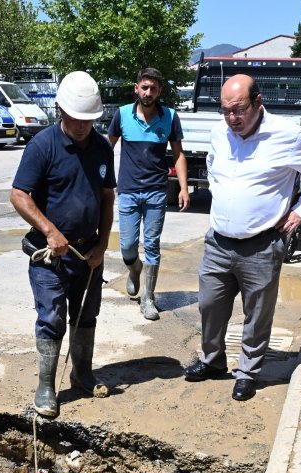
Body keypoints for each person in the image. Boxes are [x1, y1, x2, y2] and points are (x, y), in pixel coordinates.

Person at [184, 74, 301, 401]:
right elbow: (212, 167)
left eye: (239, 110)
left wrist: (300, 212)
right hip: (218, 241)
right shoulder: (219, 133)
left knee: (257, 313)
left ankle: (248, 373)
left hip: (262, 244)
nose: (232, 119)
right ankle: (212, 361)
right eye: (225, 111)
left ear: (258, 102)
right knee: (209, 305)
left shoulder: (287, 136)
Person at [10, 71, 116, 418]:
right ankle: (46, 385)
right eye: (77, 118)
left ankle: (82, 373)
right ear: (60, 110)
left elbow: (106, 198)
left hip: (87, 254)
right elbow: (19, 194)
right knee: (52, 318)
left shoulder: (102, 148)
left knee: (86, 315)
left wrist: (101, 244)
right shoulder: (42, 146)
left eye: (89, 119)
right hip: (50, 257)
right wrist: (50, 230)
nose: (84, 125)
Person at [107, 67, 189, 321]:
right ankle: (134, 270)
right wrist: (99, 180)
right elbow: (105, 148)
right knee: (128, 247)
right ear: (136, 88)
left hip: (156, 192)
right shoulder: (121, 115)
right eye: (144, 87)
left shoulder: (170, 117)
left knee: (152, 245)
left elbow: (178, 154)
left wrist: (184, 187)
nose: (148, 92)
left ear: (159, 91)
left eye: (153, 88)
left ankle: (148, 298)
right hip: (129, 191)